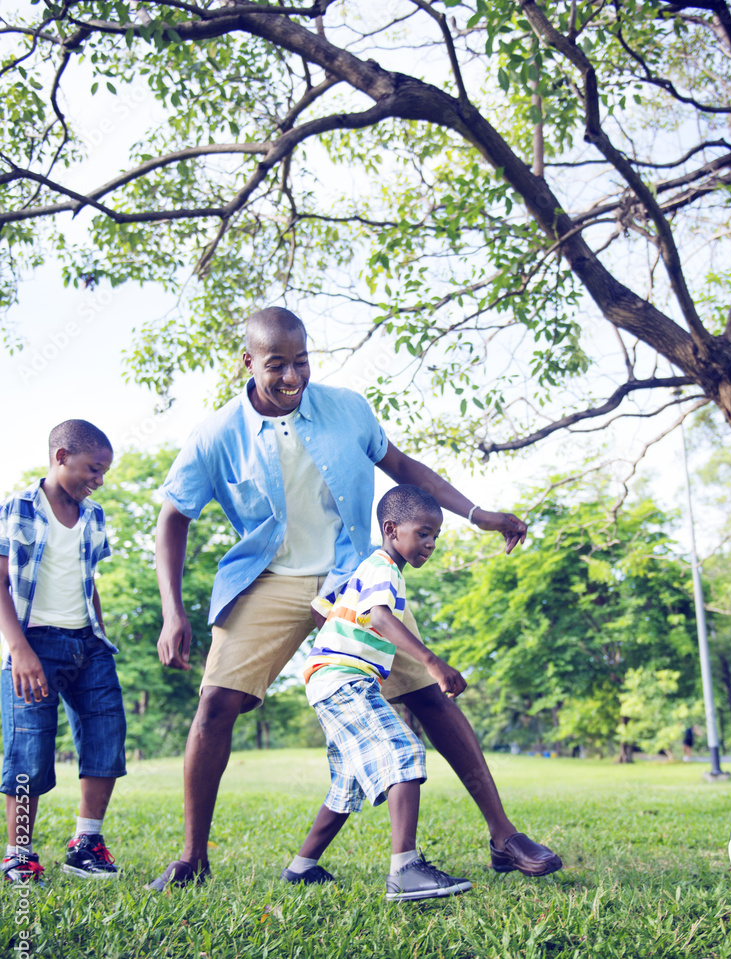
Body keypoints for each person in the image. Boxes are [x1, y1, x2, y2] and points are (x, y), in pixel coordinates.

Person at [149, 306, 561, 889]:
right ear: (248, 363)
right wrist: (173, 610)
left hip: (352, 573)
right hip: (269, 576)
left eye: (301, 362)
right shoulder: (216, 435)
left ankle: (504, 836)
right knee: (216, 703)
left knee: (428, 695)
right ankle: (192, 858)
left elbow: (403, 468)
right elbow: (172, 518)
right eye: (276, 366)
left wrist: (478, 514)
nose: (292, 378)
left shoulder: (347, 409)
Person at [287, 484, 472, 901]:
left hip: (332, 679)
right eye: (423, 532)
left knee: (348, 782)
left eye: (436, 536)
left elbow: (323, 609)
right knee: (402, 753)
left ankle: (301, 868)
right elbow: (382, 618)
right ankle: (405, 870)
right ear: (392, 529)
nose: (430, 544)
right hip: (343, 680)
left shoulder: (370, 568)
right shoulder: (384, 568)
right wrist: (432, 661)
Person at [0, 420, 126, 884]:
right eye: (93, 469)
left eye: (104, 472)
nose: (98, 480)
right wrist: (19, 649)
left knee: (106, 735)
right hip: (35, 644)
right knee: (28, 749)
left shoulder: (93, 517)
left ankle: (86, 844)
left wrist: (99, 635)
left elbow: (87, 580)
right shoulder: (16, 509)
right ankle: (19, 854)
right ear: (61, 457)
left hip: (88, 645)